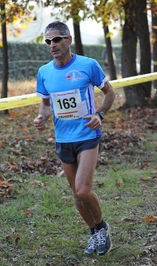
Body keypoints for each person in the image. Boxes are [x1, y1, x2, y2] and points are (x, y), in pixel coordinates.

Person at [33, 21, 116, 255]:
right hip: (63, 139)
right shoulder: (44, 72)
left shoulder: (88, 65)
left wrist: (99, 114)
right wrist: (42, 118)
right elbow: (46, 105)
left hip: (88, 135)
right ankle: (94, 234)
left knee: (82, 190)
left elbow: (110, 93)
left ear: (69, 39)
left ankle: (102, 228)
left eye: (57, 39)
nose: (52, 45)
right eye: (48, 41)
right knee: (76, 195)